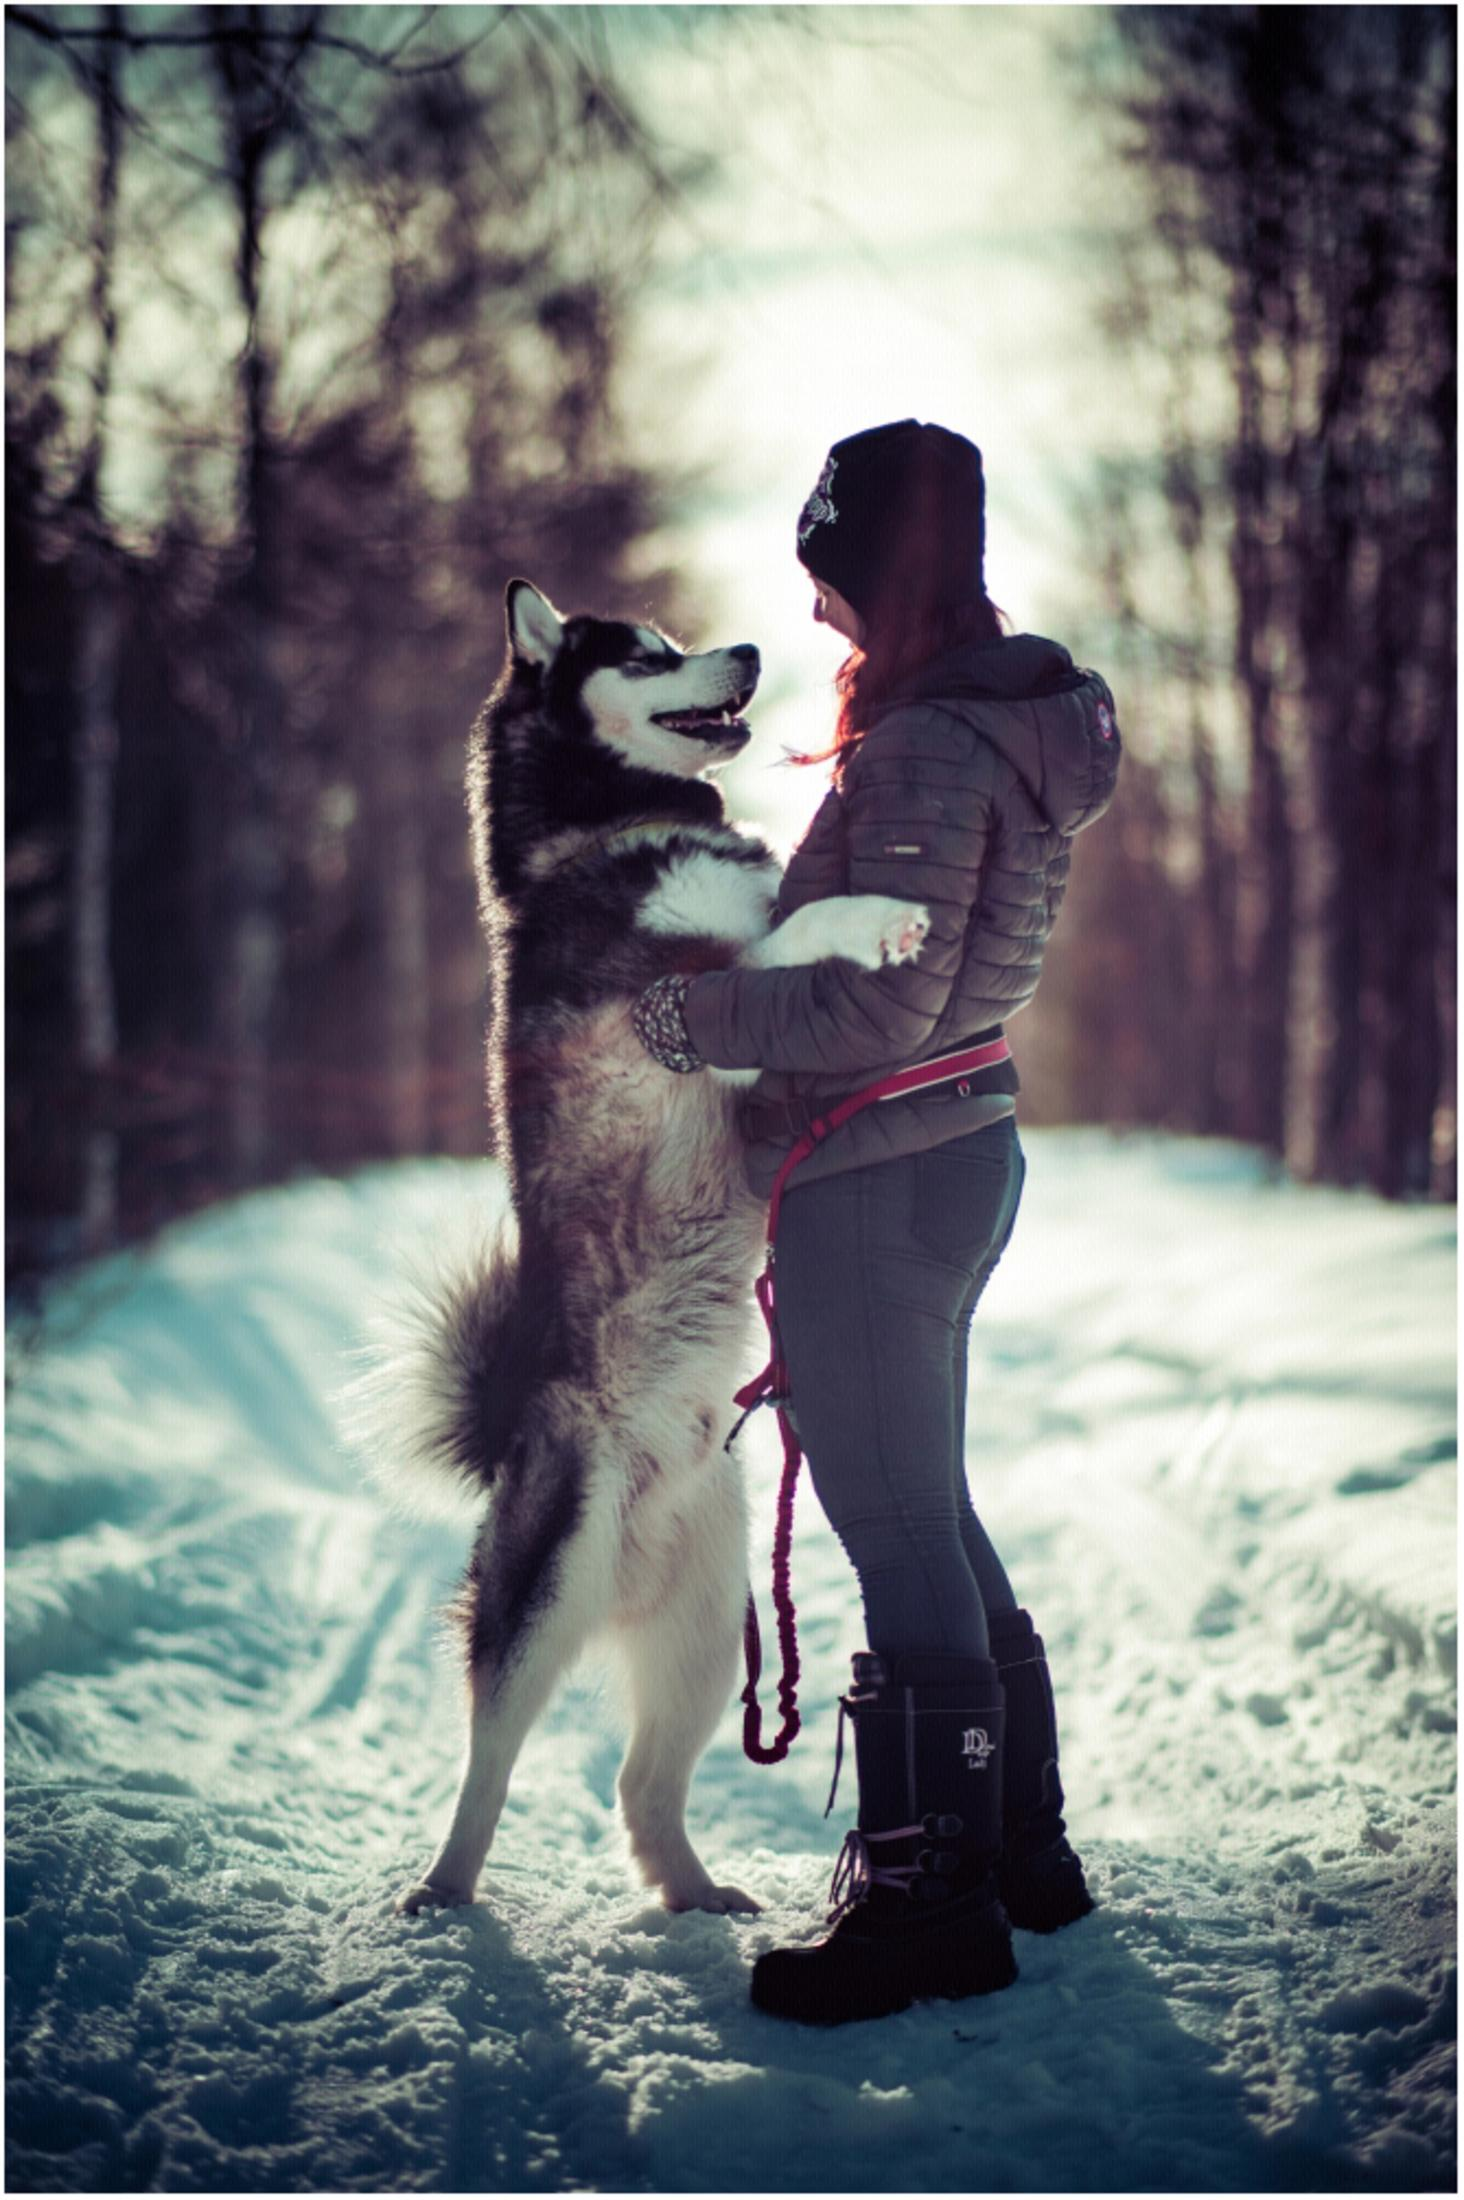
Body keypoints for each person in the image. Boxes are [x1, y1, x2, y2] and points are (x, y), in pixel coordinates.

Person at [630, 419, 1120, 2025]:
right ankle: (1018, 1847)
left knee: (897, 1521)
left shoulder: (925, 744)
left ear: (876, 566)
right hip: (947, 1155)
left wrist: (685, 1028)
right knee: (928, 1501)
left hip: (881, 1172)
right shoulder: (990, 722)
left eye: (832, 578)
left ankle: (932, 1904)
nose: (821, 615)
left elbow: (878, 1002)